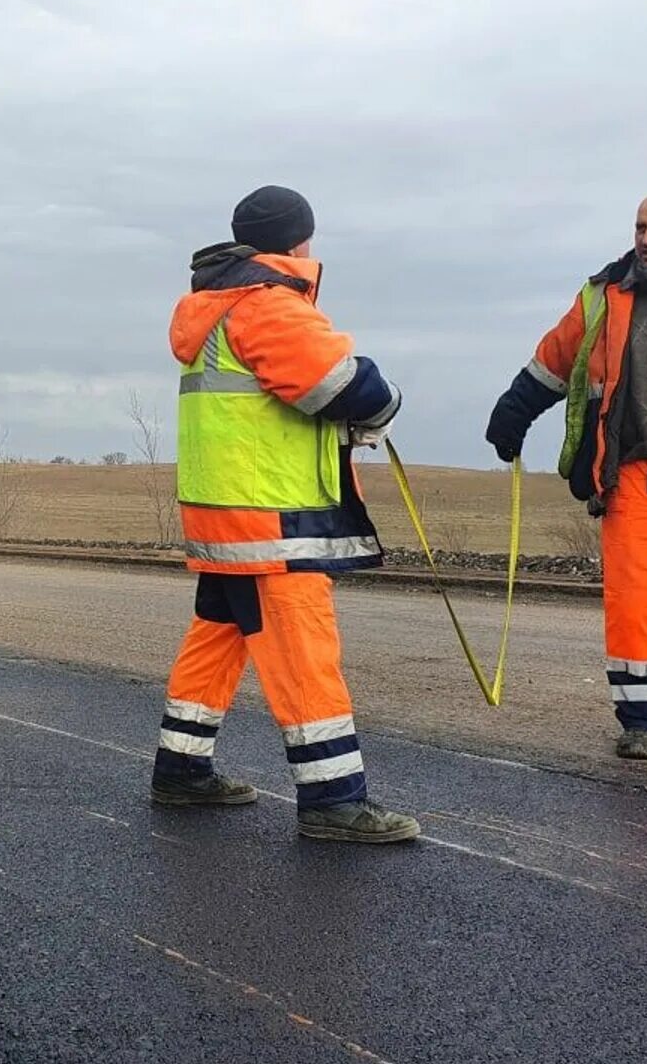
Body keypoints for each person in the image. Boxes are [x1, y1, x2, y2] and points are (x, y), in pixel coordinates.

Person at [151, 184, 421, 843]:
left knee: (217, 637)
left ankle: (181, 770)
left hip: (226, 515)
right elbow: (343, 384)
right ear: (299, 241)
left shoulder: (214, 305)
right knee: (304, 652)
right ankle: (334, 800)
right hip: (270, 518)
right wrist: (382, 398)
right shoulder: (267, 303)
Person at [486, 186, 647, 760]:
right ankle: (641, 720)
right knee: (636, 602)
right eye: (639, 227)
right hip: (640, 472)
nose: (646, 238)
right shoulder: (604, 295)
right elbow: (552, 361)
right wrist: (513, 414)